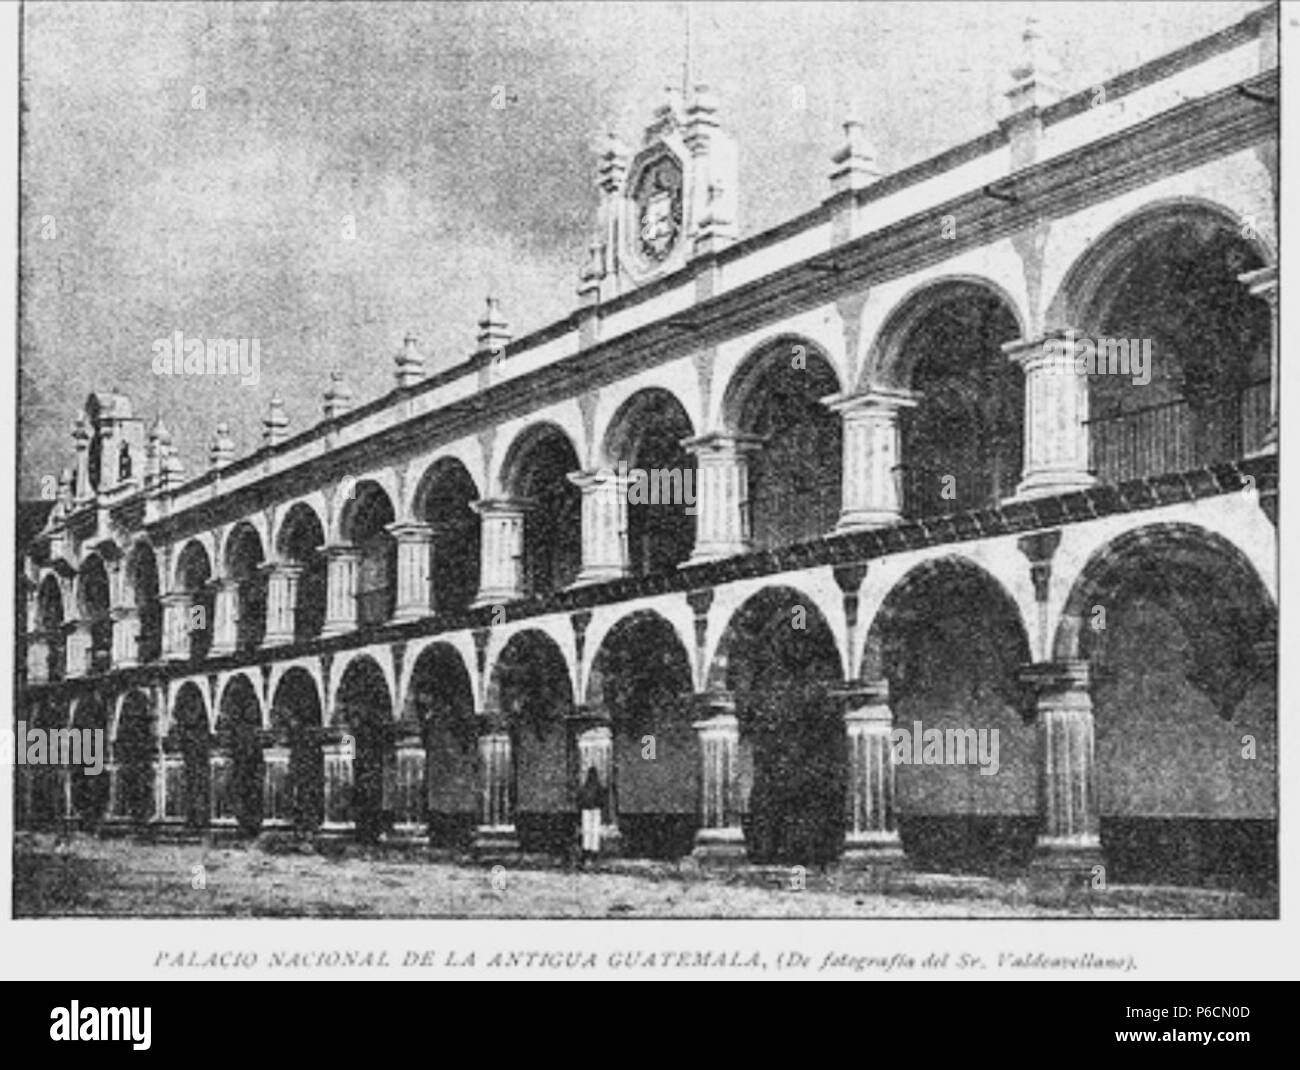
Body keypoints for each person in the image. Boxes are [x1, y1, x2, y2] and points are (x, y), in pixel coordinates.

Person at [576, 766, 604, 867]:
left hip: (586, 811)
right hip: (596, 810)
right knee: (595, 831)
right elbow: (602, 799)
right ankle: (594, 852)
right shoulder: (599, 786)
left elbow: (580, 798)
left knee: (587, 831)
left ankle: (586, 851)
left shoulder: (585, 787)